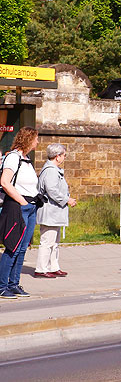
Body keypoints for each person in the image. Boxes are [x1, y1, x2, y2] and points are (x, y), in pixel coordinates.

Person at [0, 126, 41, 298]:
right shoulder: (13, 158)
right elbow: (5, 182)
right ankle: (2, 285)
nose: (38, 142)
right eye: (36, 138)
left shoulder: (27, 159)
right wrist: (22, 201)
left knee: (23, 248)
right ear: (28, 139)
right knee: (13, 247)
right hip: (18, 206)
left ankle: (14, 283)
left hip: (30, 207)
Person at [35, 144, 76, 278]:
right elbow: (52, 191)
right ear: (57, 156)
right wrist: (67, 199)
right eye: (64, 155)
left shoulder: (53, 169)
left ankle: (53, 266)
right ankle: (41, 268)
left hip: (54, 211)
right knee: (47, 241)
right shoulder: (51, 170)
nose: (64, 157)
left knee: (54, 241)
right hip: (50, 211)